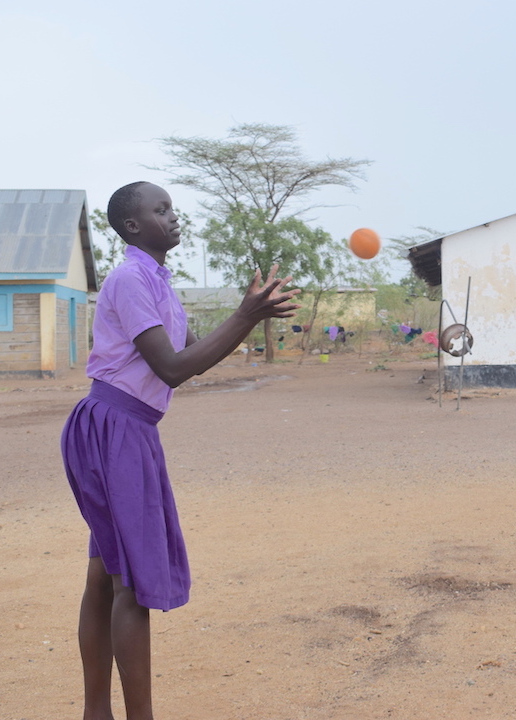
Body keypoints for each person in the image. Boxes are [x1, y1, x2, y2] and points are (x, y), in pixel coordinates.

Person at [60, 181, 301, 720]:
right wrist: (246, 316)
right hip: (114, 428)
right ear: (132, 226)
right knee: (133, 584)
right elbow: (171, 369)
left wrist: (249, 316)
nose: (173, 217)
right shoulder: (127, 280)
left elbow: (194, 355)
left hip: (128, 428)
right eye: (160, 209)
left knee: (104, 575)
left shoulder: (160, 282)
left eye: (172, 208)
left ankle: (95, 713)